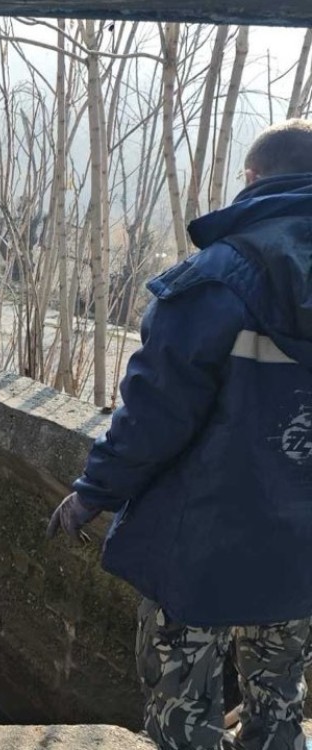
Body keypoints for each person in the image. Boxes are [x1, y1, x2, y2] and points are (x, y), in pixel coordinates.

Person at [47, 119, 312, 750]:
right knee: (279, 711)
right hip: (299, 558)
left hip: (201, 550)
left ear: (251, 178)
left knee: (183, 719)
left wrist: (93, 492)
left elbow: (153, 414)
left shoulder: (216, 280)